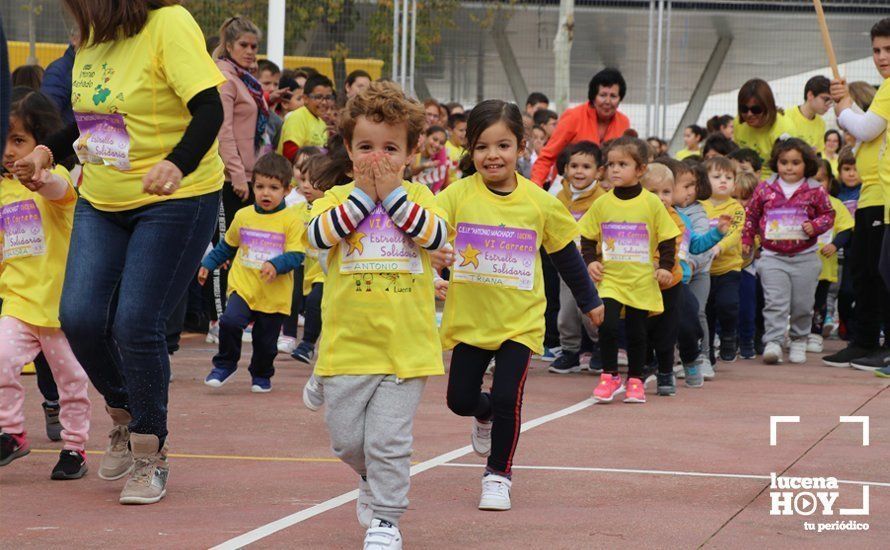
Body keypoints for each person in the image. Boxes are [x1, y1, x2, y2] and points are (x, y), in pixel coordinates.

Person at [14, 0, 226, 505]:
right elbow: (96, 123)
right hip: (103, 199)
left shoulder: (169, 23)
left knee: (136, 321)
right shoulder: (93, 39)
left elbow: (210, 108)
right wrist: (48, 150)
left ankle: (151, 451)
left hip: (175, 197)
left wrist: (177, 163)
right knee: (80, 316)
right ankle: (126, 416)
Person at [438, 100, 602, 511]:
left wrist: (589, 301)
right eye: (481, 147)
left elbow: (566, 255)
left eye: (503, 145)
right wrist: (435, 262)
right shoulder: (455, 196)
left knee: (510, 395)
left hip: (520, 320)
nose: (492, 155)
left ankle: (498, 474)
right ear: (469, 150)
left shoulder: (540, 203)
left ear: (521, 147)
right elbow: (428, 236)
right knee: (459, 399)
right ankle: (484, 412)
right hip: (471, 319)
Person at [306, 81, 448, 549]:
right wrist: (366, 196)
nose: (377, 158)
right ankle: (368, 476)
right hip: (349, 346)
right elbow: (318, 238)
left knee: (387, 441)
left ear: (409, 154)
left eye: (391, 148)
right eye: (366, 147)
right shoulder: (335, 202)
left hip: (406, 349)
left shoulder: (421, 200)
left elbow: (433, 236)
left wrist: (393, 195)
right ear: (348, 149)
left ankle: (387, 519)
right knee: (348, 442)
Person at [0, 88, 91, 479]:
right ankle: (12, 432)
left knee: (71, 379)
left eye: (18, 141)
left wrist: (41, 175)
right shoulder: (3, 190)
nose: (8, 151)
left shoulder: (58, 186)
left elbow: (56, 189)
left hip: (59, 307)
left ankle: (75, 447)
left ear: (43, 145)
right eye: (3, 140)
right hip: (18, 302)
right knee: (1, 361)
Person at [580, 137, 680, 404]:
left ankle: (635, 379)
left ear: (640, 169)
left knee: (637, 332)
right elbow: (587, 237)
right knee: (608, 325)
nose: (614, 169)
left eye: (622, 164)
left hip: (641, 280)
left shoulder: (651, 203)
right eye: (611, 164)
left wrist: (667, 267)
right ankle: (610, 375)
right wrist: (591, 261)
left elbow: (668, 237)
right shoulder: (602, 203)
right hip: (611, 279)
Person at [200, 153, 304, 392]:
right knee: (229, 321)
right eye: (260, 186)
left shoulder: (291, 220)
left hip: (274, 295)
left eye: (274, 187)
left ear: (287, 190)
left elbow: (297, 255)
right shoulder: (243, 216)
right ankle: (225, 364)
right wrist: (208, 263)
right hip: (244, 287)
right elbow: (228, 245)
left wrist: (277, 264)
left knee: (265, 343)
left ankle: (261, 373)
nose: (266, 193)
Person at [826, 20, 890, 372]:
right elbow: (863, 134)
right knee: (864, 272)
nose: (881, 57)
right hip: (871, 195)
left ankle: (877, 342)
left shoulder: (887, 90)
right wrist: (844, 106)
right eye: (877, 50)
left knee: (879, 273)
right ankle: (864, 340)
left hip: (883, 196)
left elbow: (865, 127)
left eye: (888, 50)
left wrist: (846, 104)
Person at [742, 138, 834, 364]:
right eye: (784, 162)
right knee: (775, 302)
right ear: (776, 163)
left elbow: (829, 215)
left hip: (805, 257)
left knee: (802, 303)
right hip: (773, 257)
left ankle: (799, 339)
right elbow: (752, 215)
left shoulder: (815, 189)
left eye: (795, 162)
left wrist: (815, 226)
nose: (789, 167)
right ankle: (773, 341)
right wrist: (747, 239)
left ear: (806, 164)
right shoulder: (765, 187)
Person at [661, 158, 727, 386]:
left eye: (693, 185)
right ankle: (663, 368)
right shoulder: (654, 213)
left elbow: (697, 245)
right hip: (659, 280)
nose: (692, 191)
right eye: (686, 186)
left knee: (693, 318)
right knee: (660, 323)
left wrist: (717, 234)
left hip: (691, 276)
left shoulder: (687, 217)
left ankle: (699, 358)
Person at [547, 141, 607, 375]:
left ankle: (601, 347)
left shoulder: (602, 199)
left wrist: (595, 258)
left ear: (598, 171)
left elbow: (606, 231)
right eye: (574, 166)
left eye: (586, 166)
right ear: (565, 169)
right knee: (567, 312)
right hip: (566, 263)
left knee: (589, 311)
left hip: (593, 266)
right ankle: (570, 352)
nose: (579, 171)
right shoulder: (559, 197)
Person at [531, 68, 631, 185]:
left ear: (620, 99)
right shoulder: (573, 117)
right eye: (603, 95)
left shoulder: (624, 122)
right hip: (568, 189)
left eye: (613, 96)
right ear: (593, 97)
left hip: (605, 192)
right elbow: (547, 157)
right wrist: (535, 188)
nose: (607, 101)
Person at [701, 156, 746, 365]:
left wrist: (719, 246)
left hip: (728, 268)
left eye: (728, 177)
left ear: (734, 183)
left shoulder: (736, 208)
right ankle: (707, 353)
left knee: (728, 304)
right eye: (717, 176)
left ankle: (729, 333)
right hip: (703, 271)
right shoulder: (699, 206)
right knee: (706, 312)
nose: (723, 181)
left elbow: (735, 232)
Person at [810, 159, 854, 353]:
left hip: (824, 265)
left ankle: (815, 333)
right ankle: (797, 334)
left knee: (820, 301)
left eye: (822, 180)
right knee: (799, 301)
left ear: (829, 180)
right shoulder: (798, 203)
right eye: (812, 180)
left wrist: (835, 244)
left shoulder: (835, 204)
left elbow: (847, 228)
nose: (817, 185)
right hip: (799, 263)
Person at [733, 78, 793, 179]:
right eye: (744, 109)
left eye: (756, 109)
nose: (749, 114)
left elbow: (788, 171)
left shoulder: (784, 128)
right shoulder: (739, 123)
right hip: (744, 181)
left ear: (767, 107)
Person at [733, 170, 759, 359]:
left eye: (746, 198)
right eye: (736, 198)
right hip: (728, 267)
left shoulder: (756, 218)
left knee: (748, 306)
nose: (741, 203)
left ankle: (747, 340)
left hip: (750, 268)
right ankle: (728, 339)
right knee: (727, 306)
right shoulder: (729, 216)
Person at [278, 73, 334, 162]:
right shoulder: (297, 117)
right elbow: (290, 152)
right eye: (318, 97)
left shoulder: (322, 122)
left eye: (328, 97)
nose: (324, 102)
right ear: (305, 98)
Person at [787, 76, 832, 153]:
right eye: (826, 99)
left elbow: (818, 154)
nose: (828, 105)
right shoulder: (787, 117)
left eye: (831, 101)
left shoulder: (821, 124)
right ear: (810, 95)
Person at [411, 125, 449, 193]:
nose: (437, 145)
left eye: (441, 143)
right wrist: (423, 166)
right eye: (434, 139)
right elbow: (409, 174)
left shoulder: (436, 163)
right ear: (426, 136)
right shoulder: (415, 153)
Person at [445, 112, 467, 184]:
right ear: (450, 130)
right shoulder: (444, 149)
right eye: (461, 130)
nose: (464, 134)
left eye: (466, 130)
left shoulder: (465, 152)